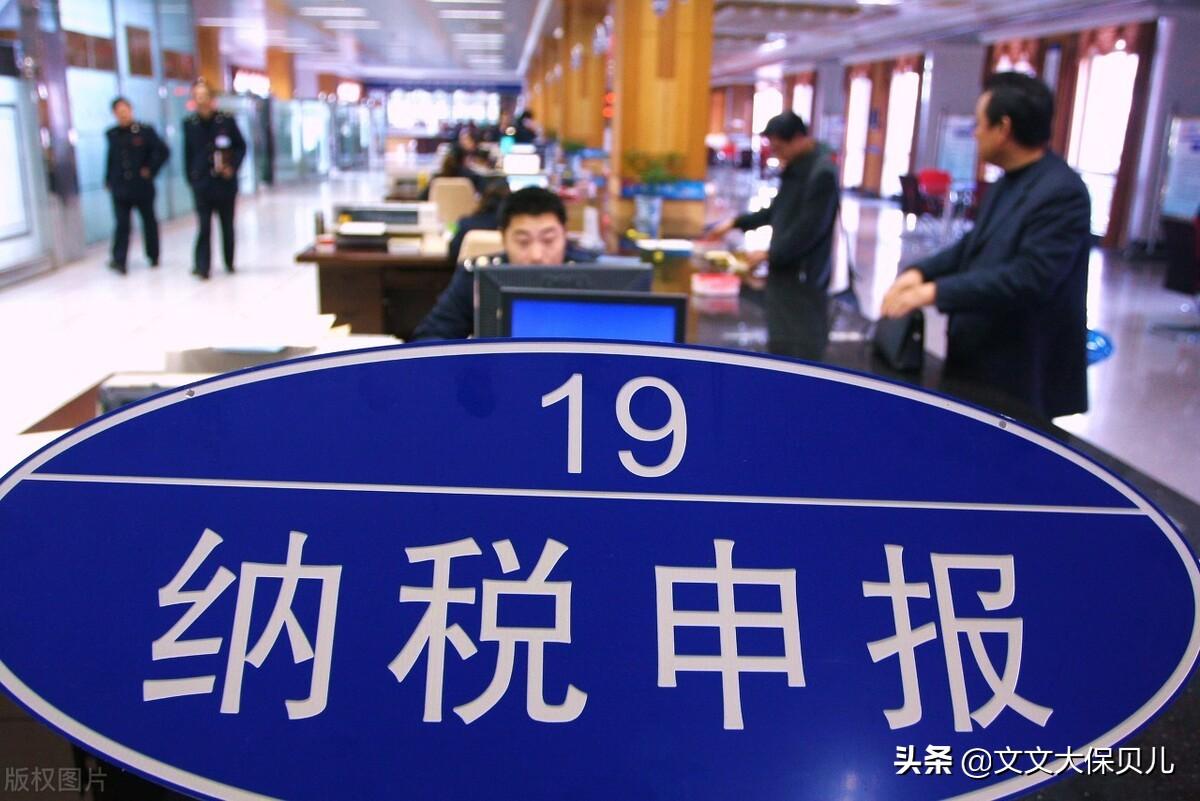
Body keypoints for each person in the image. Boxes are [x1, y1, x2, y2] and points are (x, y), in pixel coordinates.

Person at [880, 71, 1091, 420]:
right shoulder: (1005, 183)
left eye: (979, 124)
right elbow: (973, 246)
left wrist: (933, 292)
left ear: (1003, 128)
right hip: (980, 359)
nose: (975, 133)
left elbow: (1029, 278)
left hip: (1021, 370)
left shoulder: (1062, 192)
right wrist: (919, 273)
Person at [709, 111, 840, 360]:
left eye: (779, 147)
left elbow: (810, 229)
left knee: (802, 345)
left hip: (805, 276)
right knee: (781, 339)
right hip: (784, 269)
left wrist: (769, 254)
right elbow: (777, 210)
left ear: (798, 139)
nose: (776, 153)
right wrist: (736, 222)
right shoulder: (796, 167)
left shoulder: (821, 173)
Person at [412, 186, 597, 341]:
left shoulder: (593, 278)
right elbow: (430, 338)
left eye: (548, 240)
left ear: (565, 235)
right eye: (523, 242)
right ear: (503, 238)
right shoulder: (478, 277)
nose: (537, 255)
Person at [183, 79, 246, 280]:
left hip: (224, 183)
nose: (201, 100)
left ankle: (229, 261)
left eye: (204, 96)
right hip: (202, 183)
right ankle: (202, 266)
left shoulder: (225, 121)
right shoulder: (190, 124)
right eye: (197, 96)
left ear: (211, 99)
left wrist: (232, 167)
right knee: (204, 226)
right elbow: (187, 154)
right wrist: (191, 178)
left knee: (227, 225)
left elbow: (241, 146)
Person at [104, 97, 169, 275]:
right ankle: (119, 260)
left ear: (131, 110)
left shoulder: (145, 131)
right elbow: (111, 158)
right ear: (115, 114)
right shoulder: (112, 134)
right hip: (120, 187)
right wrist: (108, 179)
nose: (123, 114)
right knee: (122, 224)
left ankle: (153, 255)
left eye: (125, 110)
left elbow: (163, 151)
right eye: (119, 111)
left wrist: (151, 169)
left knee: (149, 221)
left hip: (142, 186)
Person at [447, 177, 511, 266]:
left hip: (467, 273)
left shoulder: (464, 224)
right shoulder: (510, 230)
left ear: (482, 198)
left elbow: (452, 252)